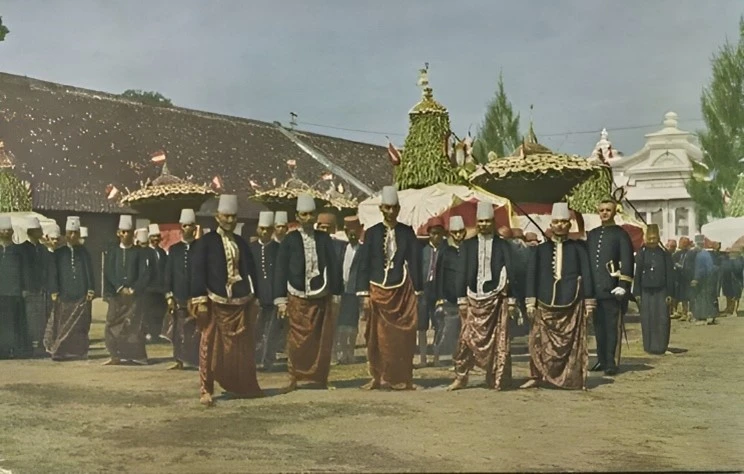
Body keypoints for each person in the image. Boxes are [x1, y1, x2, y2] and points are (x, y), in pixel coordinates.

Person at [191, 195, 263, 406]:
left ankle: (241, 386)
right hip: (214, 299)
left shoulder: (241, 242)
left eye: (233, 217)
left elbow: (250, 271)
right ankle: (206, 389)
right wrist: (200, 300)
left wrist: (254, 296)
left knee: (240, 349)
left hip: (239, 300)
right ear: (217, 217)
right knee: (209, 346)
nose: (230, 221)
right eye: (226, 216)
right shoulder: (206, 242)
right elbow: (198, 271)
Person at [522, 202, 595, 390]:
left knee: (572, 345)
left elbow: (587, 275)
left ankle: (571, 378)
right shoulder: (540, 250)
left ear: (569, 224)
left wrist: (589, 303)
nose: (560, 225)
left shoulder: (579, 249)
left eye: (564, 221)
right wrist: (530, 302)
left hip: (571, 302)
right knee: (537, 342)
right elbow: (531, 276)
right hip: (544, 301)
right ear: (551, 224)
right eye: (556, 222)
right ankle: (536, 376)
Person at [356, 185, 422, 390]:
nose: (391, 212)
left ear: (398, 209)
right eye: (387, 208)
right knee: (376, 336)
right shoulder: (372, 232)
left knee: (400, 337)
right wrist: (364, 293)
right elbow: (363, 264)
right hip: (377, 288)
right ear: (381, 209)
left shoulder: (407, 231)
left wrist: (418, 290)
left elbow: (415, 261)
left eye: (394, 208)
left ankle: (401, 378)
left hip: (401, 289)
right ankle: (378, 377)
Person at [448, 201, 518, 391]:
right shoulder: (467, 246)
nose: (484, 225)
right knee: (464, 341)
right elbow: (461, 273)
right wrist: (461, 299)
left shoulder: (503, 245)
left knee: (499, 341)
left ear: (493, 222)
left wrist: (511, 300)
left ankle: (498, 379)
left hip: (496, 300)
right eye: (481, 221)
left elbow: (511, 272)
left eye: (488, 221)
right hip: (471, 298)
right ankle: (460, 378)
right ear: (477, 222)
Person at [274, 194, 341, 392]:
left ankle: (320, 379)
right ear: (298, 216)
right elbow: (281, 269)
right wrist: (281, 301)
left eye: (312, 214)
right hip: (297, 294)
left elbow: (333, 265)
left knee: (321, 339)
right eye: (304, 215)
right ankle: (294, 378)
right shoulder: (290, 239)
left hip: (321, 294)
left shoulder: (324, 238)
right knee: (297, 340)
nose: (309, 218)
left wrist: (336, 292)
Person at [586, 198, 634, 376]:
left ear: (614, 212)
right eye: (602, 210)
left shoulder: (620, 234)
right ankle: (601, 359)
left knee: (611, 327)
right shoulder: (592, 234)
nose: (604, 213)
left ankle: (610, 362)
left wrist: (623, 284)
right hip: (595, 290)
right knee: (598, 328)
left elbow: (628, 260)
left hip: (612, 289)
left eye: (608, 210)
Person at [102, 215, 150, 366]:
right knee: (112, 324)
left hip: (134, 296)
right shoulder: (113, 252)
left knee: (133, 326)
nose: (125, 235)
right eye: (123, 232)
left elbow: (144, 273)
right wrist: (120, 287)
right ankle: (115, 355)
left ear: (133, 233)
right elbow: (108, 271)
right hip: (117, 296)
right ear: (118, 233)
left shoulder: (139, 252)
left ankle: (136, 356)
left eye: (128, 232)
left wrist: (134, 289)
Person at [45, 216, 95, 361]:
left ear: (78, 234)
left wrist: (91, 288)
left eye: (75, 233)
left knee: (80, 325)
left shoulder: (84, 252)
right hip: (64, 294)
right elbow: (53, 273)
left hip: (81, 294)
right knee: (62, 324)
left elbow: (89, 271)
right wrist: (54, 290)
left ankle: (78, 352)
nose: (72, 236)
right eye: (70, 233)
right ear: (65, 234)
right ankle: (60, 351)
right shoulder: (59, 253)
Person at [162, 209, 200, 370]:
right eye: (184, 226)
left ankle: (196, 360)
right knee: (179, 330)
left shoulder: (201, 248)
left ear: (194, 228)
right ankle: (179, 360)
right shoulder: (174, 249)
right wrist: (169, 295)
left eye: (190, 226)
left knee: (196, 330)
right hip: (178, 295)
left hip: (197, 296)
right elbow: (168, 273)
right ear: (181, 228)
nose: (187, 229)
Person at [633, 224, 675, 355]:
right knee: (647, 320)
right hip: (646, 292)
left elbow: (670, 275)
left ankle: (661, 346)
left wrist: (670, 293)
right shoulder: (641, 254)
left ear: (658, 238)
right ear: (645, 238)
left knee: (661, 319)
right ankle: (649, 346)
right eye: (649, 238)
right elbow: (637, 274)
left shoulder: (665, 255)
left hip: (661, 292)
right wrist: (637, 292)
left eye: (654, 238)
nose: (651, 241)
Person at [249, 211, 280, 371]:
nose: (265, 232)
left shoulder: (278, 248)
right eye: (262, 229)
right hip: (256, 295)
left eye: (268, 229)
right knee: (256, 329)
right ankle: (255, 359)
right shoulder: (251, 248)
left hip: (274, 295)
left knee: (272, 329)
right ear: (258, 229)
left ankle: (268, 360)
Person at [435, 215, 468, 357]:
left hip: (467, 298)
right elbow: (440, 275)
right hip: (450, 298)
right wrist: (440, 298)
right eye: (455, 232)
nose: (458, 235)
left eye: (461, 232)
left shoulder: (469, 250)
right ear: (450, 234)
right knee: (450, 330)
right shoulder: (445, 252)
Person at [0, 215, 31, 359]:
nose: (6, 233)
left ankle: (14, 349)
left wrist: (23, 288)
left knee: (14, 322)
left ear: (12, 232)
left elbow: (24, 270)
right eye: (3, 230)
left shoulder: (18, 251)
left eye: (8, 230)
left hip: (14, 291)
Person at [20, 216, 53, 351]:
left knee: (40, 319)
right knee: (29, 319)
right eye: (37, 230)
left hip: (41, 289)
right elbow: (21, 270)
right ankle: (30, 345)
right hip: (27, 289)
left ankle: (40, 344)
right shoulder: (22, 249)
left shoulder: (43, 249)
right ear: (30, 232)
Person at [418, 217, 447, 367]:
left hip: (438, 290)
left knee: (438, 324)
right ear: (429, 233)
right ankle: (423, 358)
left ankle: (436, 357)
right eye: (434, 233)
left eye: (440, 234)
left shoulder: (445, 251)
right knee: (421, 325)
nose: (437, 237)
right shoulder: (422, 251)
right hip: (424, 290)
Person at [335, 216, 364, 364]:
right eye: (349, 232)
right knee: (340, 324)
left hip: (355, 292)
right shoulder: (341, 248)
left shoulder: (364, 250)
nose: (352, 235)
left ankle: (350, 352)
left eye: (355, 232)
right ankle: (341, 352)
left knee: (352, 324)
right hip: (341, 291)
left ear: (360, 231)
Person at [144, 223, 168, 341]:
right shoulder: (145, 252)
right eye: (153, 237)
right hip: (149, 288)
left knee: (160, 312)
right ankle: (148, 332)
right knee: (149, 311)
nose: (155, 239)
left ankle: (156, 333)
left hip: (160, 288)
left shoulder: (162, 252)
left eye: (157, 237)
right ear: (149, 238)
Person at [690, 234, 716, 325]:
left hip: (703, 279)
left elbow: (700, 269)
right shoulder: (706, 254)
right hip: (709, 278)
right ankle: (710, 316)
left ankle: (703, 317)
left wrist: (696, 279)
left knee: (702, 298)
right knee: (708, 297)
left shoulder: (700, 255)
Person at [674, 237, 694, 321]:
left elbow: (690, 266)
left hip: (688, 277)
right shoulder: (679, 253)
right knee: (683, 297)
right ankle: (684, 313)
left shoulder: (691, 253)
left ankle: (690, 313)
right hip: (681, 277)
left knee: (689, 296)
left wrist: (680, 267)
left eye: (682, 243)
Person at [719, 249, 743, 317]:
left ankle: (734, 311)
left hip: (736, 280)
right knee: (728, 295)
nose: (728, 254)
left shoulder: (739, 259)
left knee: (736, 296)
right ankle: (729, 309)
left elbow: (738, 269)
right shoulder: (725, 260)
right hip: (727, 280)